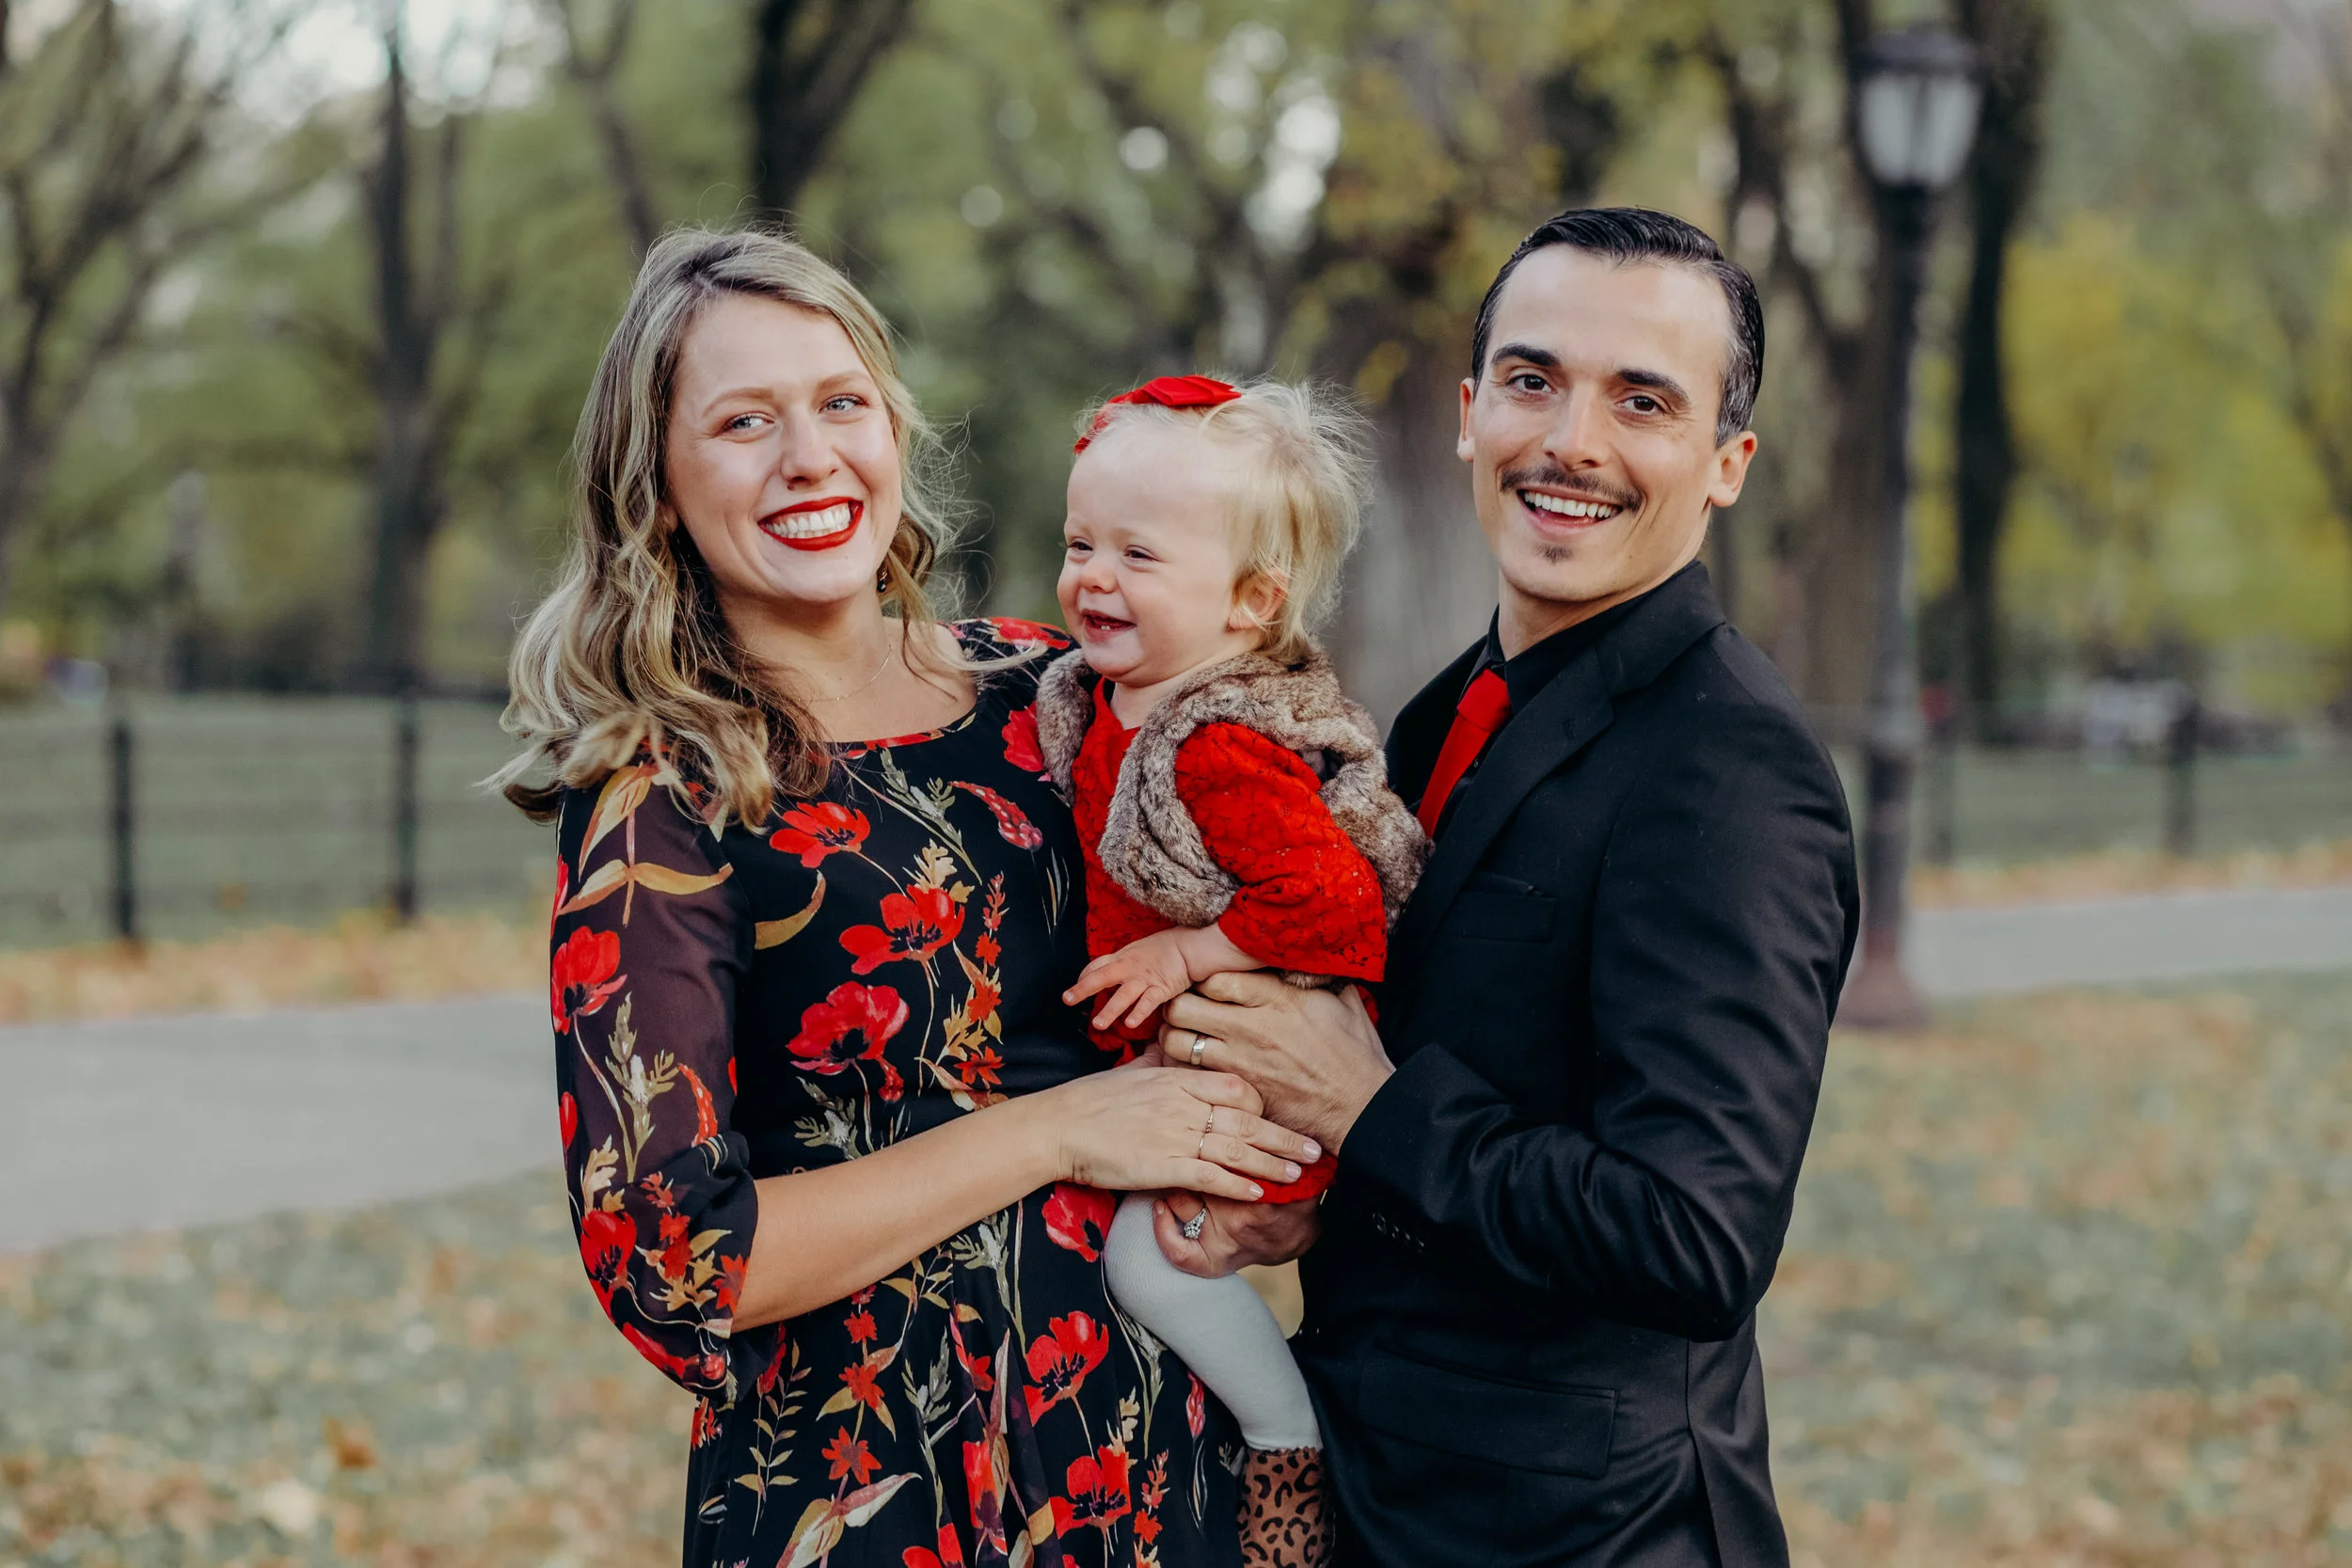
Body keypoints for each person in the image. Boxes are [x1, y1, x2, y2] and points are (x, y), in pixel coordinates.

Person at [497, 226, 1319, 1568]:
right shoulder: (663, 797)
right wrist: (1062, 1130)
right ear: (657, 488)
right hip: (872, 1485)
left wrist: (1281, 1178)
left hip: (1163, 1464)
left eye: (841, 403)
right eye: (744, 421)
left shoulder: (1057, 689)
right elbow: (678, 1267)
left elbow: (1273, 933)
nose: (808, 456)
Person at [1152, 208, 1863, 1566]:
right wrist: (1327, 1186)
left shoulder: (1730, 765)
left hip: (1591, 1532)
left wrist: (1368, 1107)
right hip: (1393, 1494)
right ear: (1471, 412)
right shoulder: (1446, 713)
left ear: (1726, 464)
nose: (1572, 441)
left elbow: (1692, 1236)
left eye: (1642, 401)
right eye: (1534, 380)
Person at [1033, 374, 1428, 1567]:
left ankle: (1284, 1437)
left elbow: (1339, 908)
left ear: (1252, 601)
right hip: (1201, 1051)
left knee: (1149, 1264)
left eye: (1138, 554)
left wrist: (1187, 949)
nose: (1094, 576)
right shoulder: (1109, 700)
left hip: (1270, 1062)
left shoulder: (1215, 742)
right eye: (1080, 543)